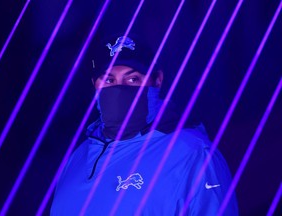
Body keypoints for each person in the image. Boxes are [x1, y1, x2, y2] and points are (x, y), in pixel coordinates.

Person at [51, 35, 238, 215]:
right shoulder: (77, 158)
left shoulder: (194, 155)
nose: (119, 89)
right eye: (109, 80)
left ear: (157, 80)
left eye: (132, 79)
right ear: (95, 85)